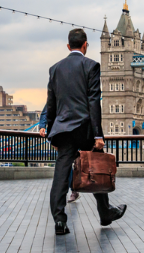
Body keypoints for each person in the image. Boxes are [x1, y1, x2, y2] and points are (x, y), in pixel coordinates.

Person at [43, 29, 127, 235]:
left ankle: (59, 221)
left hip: (62, 128)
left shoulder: (55, 69)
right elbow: (93, 102)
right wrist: (98, 135)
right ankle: (105, 212)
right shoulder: (91, 66)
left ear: (68, 45)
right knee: (96, 168)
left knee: (61, 175)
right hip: (84, 128)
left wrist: (50, 130)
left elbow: (51, 103)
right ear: (85, 45)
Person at [39, 105, 79, 203]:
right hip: (59, 133)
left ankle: (70, 190)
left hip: (74, 131)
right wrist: (42, 126)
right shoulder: (57, 92)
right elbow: (46, 110)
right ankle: (72, 190)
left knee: (67, 163)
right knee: (67, 163)